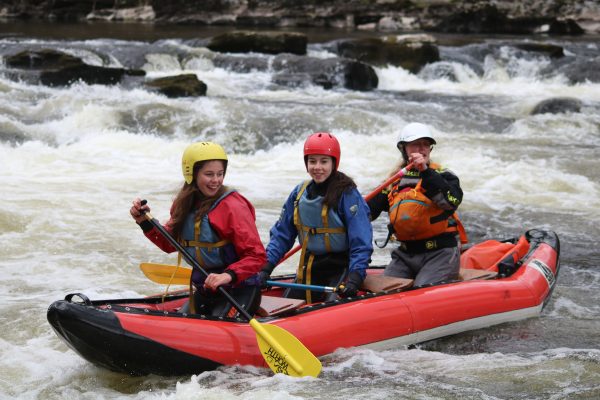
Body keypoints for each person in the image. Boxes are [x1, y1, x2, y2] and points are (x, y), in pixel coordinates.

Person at [129, 142, 266, 316]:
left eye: (220, 174)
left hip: (238, 290)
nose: (216, 180)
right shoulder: (184, 204)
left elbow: (257, 255)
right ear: (192, 174)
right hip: (205, 290)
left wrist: (227, 275)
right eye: (209, 174)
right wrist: (144, 221)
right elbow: (170, 244)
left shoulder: (233, 206)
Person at [259, 132, 373, 303]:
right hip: (311, 265)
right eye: (312, 161)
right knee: (285, 306)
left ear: (334, 163)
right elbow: (282, 236)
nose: (317, 167)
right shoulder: (299, 193)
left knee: (334, 305)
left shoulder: (348, 194)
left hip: (342, 267)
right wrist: (265, 268)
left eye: (324, 161)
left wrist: (355, 278)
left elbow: (361, 241)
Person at [368, 122, 468, 287]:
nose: (422, 149)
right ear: (404, 149)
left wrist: (425, 171)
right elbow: (369, 211)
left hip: (440, 254)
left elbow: (451, 202)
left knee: (421, 289)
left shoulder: (444, 176)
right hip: (406, 255)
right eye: (416, 145)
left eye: (426, 145)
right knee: (383, 293)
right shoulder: (394, 181)